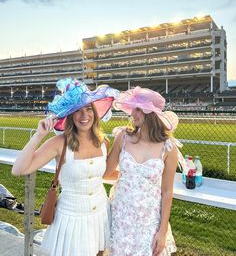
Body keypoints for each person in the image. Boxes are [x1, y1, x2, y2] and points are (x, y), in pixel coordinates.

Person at [12, 78, 119, 256]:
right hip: (72, 218)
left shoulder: (103, 141)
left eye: (88, 109)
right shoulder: (59, 143)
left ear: (94, 111)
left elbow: (100, 174)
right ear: (69, 115)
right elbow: (18, 170)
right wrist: (38, 135)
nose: (84, 116)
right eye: (77, 111)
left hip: (101, 213)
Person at [104, 86, 180, 256]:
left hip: (149, 221)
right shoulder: (123, 137)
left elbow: (167, 192)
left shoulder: (168, 147)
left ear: (150, 113)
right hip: (121, 216)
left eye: (138, 109)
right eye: (133, 109)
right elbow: (105, 171)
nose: (133, 113)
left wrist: (162, 231)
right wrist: (99, 144)